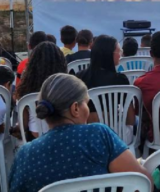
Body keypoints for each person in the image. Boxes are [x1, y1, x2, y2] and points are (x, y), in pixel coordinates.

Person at [9, 73, 149, 192]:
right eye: (86, 104)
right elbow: (143, 182)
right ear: (75, 108)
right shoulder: (98, 135)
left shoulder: (25, 155)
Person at [14, 42, 67, 141]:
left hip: (35, 138)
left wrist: (15, 129)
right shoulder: (66, 86)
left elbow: (24, 124)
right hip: (63, 137)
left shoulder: (24, 89)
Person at [76, 35, 131, 127]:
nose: (120, 55)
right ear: (109, 54)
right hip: (114, 130)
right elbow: (131, 119)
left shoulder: (79, 77)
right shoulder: (120, 79)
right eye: (119, 51)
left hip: (86, 130)